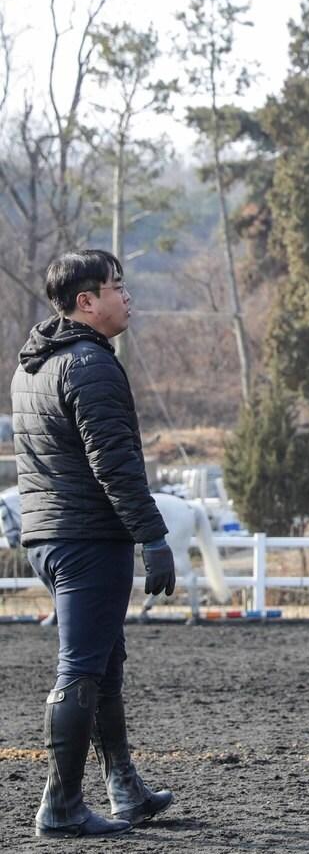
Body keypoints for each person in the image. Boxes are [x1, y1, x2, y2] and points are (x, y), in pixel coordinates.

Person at [11, 250, 177, 838]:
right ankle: (60, 807)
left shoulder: (32, 366)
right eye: (116, 286)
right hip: (87, 538)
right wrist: (152, 534)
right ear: (87, 301)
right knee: (79, 669)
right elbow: (116, 463)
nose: (126, 296)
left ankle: (125, 788)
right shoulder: (89, 365)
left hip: (49, 536)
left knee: (104, 664)